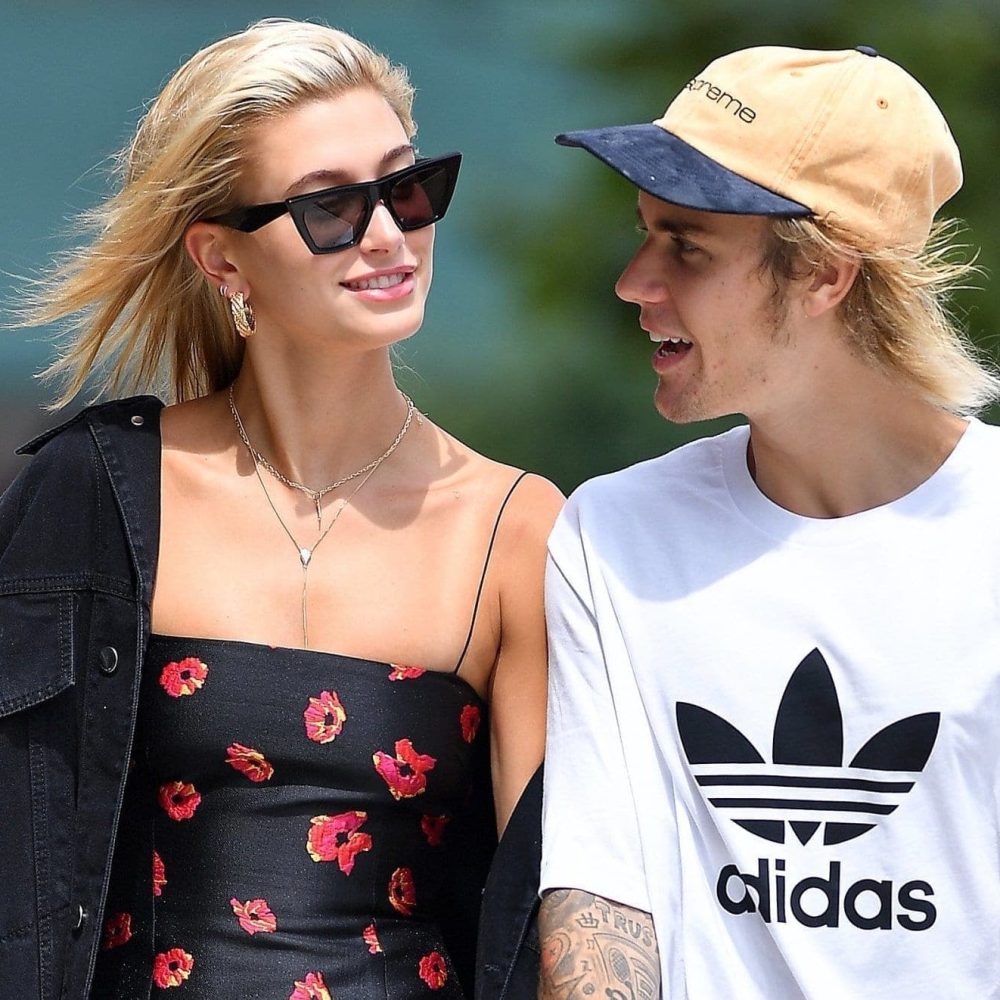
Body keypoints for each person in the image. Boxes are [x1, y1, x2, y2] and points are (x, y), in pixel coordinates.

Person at [0, 18, 562, 999]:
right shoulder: (98, 492)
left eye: (406, 187)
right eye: (329, 207)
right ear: (222, 260)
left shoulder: (515, 526)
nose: (387, 235)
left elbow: (552, 908)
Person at [537, 44, 1000, 999]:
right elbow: (600, 898)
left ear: (825, 274)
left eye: (687, 246)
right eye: (645, 234)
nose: (634, 281)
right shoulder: (612, 535)